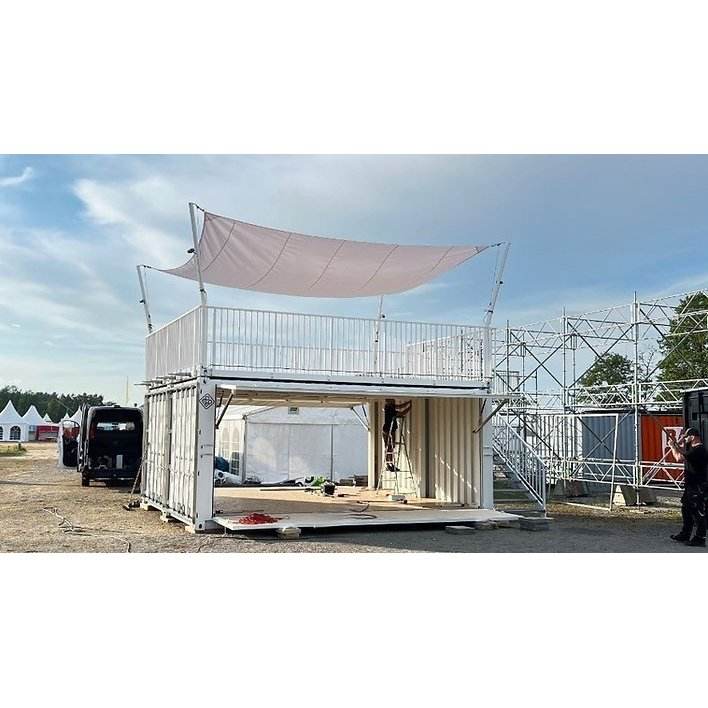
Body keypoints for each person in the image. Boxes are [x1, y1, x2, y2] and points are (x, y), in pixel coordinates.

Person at [668, 427, 708, 547]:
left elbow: (679, 457)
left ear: (693, 437)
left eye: (686, 436)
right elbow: (683, 452)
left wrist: (673, 446)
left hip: (697, 486)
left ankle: (700, 538)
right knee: (686, 508)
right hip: (691, 485)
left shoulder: (699, 450)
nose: (684, 439)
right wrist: (677, 444)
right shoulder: (692, 449)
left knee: (697, 512)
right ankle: (685, 533)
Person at [382, 399, 412, 471]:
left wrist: (408, 402)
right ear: (390, 403)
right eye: (393, 401)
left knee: (390, 447)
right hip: (388, 430)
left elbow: (399, 406)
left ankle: (390, 464)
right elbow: (401, 413)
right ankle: (389, 464)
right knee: (390, 447)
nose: (394, 402)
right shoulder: (390, 409)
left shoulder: (389, 407)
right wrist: (410, 407)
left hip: (389, 430)